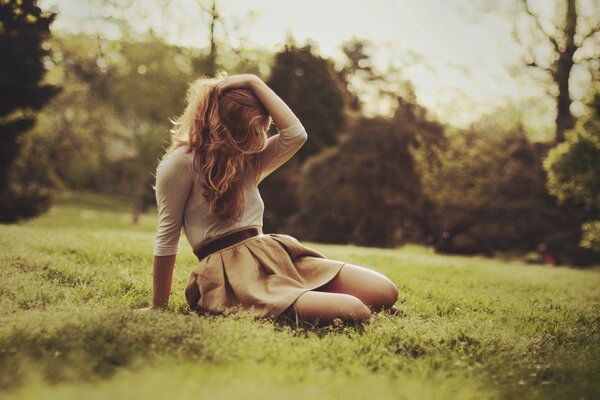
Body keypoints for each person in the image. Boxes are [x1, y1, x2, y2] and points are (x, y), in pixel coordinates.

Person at [149, 72, 399, 326]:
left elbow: (295, 134)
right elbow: (167, 237)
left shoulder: (248, 158)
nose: (261, 138)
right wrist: (158, 306)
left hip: (272, 255)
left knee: (385, 292)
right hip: (231, 274)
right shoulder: (180, 163)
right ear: (227, 126)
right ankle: (310, 302)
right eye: (255, 129)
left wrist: (254, 82)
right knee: (356, 311)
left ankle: (306, 299)